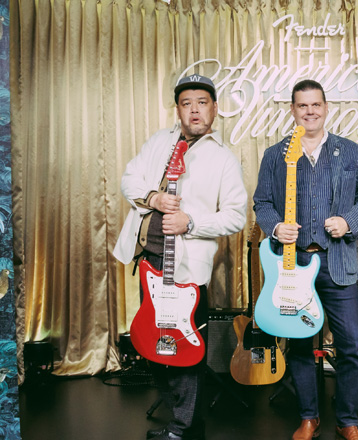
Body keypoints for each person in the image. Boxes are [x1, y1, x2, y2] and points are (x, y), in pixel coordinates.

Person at [113, 74, 248, 440]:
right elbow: (129, 179)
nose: (194, 110)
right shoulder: (159, 141)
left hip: (186, 271)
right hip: (149, 262)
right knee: (155, 343)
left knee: (185, 349)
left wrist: (191, 222)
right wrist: (154, 198)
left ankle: (185, 428)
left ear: (214, 109)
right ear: (178, 110)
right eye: (187, 103)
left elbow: (236, 216)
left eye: (202, 103)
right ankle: (181, 420)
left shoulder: (223, 159)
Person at [253, 79, 358, 440]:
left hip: (338, 265)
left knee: (352, 344)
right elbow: (262, 202)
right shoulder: (274, 155)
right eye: (302, 105)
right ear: (293, 110)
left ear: (326, 107)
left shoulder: (349, 151)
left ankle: (347, 420)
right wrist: (276, 227)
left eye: (316, 105)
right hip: (292, 267)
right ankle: (309, 417)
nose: (310, 111)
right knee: (300, 343)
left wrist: (348, 221)